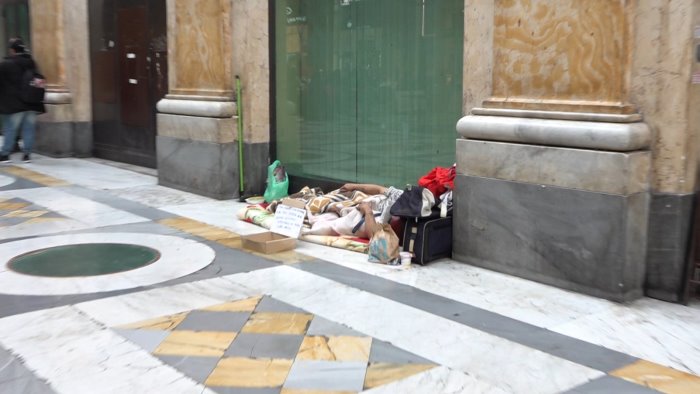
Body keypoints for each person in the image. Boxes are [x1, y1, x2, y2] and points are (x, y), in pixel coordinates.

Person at [0, 38, 45, 163]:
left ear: (12, 50)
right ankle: (27, 155)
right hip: (31, 102)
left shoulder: (5, 65)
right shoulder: (31, 63)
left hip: (13, 104)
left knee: (10, 129)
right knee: (28, 128)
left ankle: (5, 154)